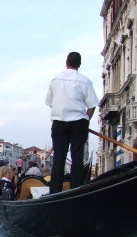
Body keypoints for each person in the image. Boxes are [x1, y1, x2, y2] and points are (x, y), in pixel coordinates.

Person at [45, 51, 99, 193]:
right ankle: (75, 191)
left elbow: (51, 103)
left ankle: (54, 192)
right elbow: (92, 106)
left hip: (59, 123)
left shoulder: (55, 80)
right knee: (77, 158)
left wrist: (61, 112)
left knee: (59, 158)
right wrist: (85, 120)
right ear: (79, 65)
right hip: (78, 123)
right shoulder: (85, 81)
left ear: (66, 63)